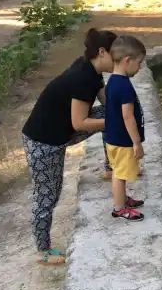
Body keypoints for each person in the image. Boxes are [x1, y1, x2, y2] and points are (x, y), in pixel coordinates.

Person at [22, 29, 117, 265]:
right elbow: (80, 122)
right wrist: (117, 121)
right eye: (118, 54)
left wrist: (121, 110)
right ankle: (43, 250)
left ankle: (110, 167)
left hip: (62, 131)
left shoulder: (90, 69)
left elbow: (107, 103)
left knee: (111, 114)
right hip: (43, 142)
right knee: (48, 195)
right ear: (102, 52)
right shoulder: (83, 78)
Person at [104, 36, 147, 222]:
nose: (140, 68)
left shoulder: (112, 81)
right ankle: (120, 208)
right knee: (120, 174)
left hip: (112, 137)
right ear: (127, 61)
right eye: (139, 63)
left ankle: (122, 199)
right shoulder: (125, 87)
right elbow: (127, 116)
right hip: (123, 140)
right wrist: (136, 142)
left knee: (118, 171)